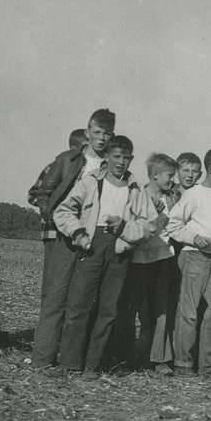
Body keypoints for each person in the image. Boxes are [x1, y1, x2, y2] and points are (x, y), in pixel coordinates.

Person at [52, 135, 156, 376]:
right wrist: (78, 233)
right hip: (92, 245)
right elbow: (63, 210)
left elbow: (150, 225)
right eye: (116, 156)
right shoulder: (90, 182)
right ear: (107, 157)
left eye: (126, 157)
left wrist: (124, 229)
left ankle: (92, 364)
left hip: (119, 249)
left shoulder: (135, 188)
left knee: (108, 309)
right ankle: (70, 363)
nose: (121, 162)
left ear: (131, 160)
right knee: (79, 305)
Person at [28, 108, 115, 370]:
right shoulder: (67, 159)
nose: (101, 138)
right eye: (97, 132)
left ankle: (71, 361)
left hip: (92, 239)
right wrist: (53, 217)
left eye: (107, 133)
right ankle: (42, 360)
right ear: (87, 133)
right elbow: (43, 192)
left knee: (82, 300)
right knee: (55, 297)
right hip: (62, 237)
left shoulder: (111, 166)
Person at [164, 149, 211, 378]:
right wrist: (194, 238)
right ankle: (183, 364)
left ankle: (208, 366)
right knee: (189, 312)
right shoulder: (193, 194)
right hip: (194, 256)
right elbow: (173, 224)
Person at [121, 152, 179, 375]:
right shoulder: (138, 195)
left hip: (162, 258)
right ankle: (128, 354)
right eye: (169, 176)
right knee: (132, 307)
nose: (172, 180)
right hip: (138, 259)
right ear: (155, 175)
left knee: (160, 309)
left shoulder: (171, 199)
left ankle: (159, 358)